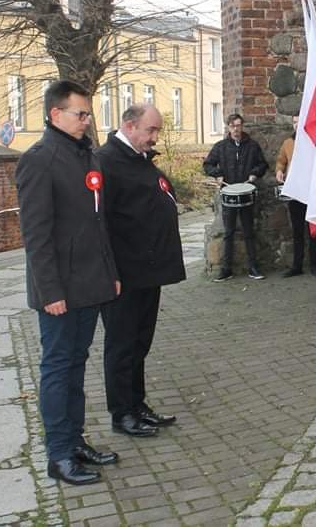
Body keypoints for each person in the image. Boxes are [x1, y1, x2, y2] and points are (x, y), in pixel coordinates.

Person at [16, 80, 121, 486]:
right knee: (58, 369)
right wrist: (50, 292)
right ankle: (58, 454)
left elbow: (98, 224)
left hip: (90, 282)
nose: (86, 120)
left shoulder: (86, 156)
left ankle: (75, 441)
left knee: (77, 364)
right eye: (80, 113)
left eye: (88, 113)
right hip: (60, 290)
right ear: (54, 114)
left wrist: (110, 273)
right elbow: (36, 236)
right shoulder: (40, 159)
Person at [96, 104, 184, 437]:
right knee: (121, 345)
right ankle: (122, 413)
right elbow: (99, 222)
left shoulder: (139, 160)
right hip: (123, 274)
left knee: (140, 343)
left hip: (148, 272)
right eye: (151, 130)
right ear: (130, 126)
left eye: (157, 131)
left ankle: (137, 403)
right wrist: (109, 272)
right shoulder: (106, 161)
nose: (154, 137)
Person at [202, 113, 268, 281]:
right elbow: (207, 164)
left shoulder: (252, 146)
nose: (236, 129)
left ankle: (253, 267)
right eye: (233, 126)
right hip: (229, 193)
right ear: (228, 127)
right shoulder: (221, 147)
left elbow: (262, 164)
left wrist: (254, 174)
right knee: (228, 232)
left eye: (239, 126)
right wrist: (217, 175)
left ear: (242, 126)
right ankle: (226, 269)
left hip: (247, 193)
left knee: (249, 232)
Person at [275, 115, 316, 277]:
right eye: (294, 122)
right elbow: (281, 160)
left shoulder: (313, 141)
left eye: (299, 122)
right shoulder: (288, 143)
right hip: (295, 192)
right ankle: (297, 266)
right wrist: (279, 170)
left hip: (311, 191)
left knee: (314, 231)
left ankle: (315, 265)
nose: (296, 125)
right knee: (297, 231)